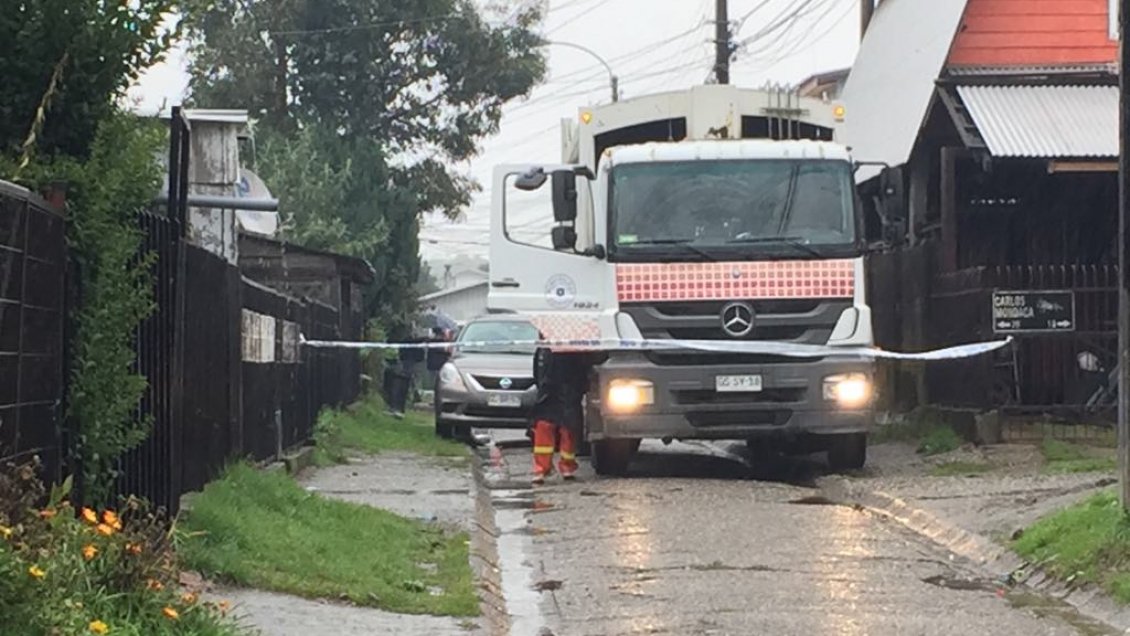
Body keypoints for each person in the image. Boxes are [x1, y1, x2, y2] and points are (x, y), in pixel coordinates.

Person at [529, 337, 587, 484]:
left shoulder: (572, 348)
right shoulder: (544, 349)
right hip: (552, 394)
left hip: (565, 393)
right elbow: (537, 373)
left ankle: (563, 467)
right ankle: (543, 469)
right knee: (546, 427)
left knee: (567, 429)